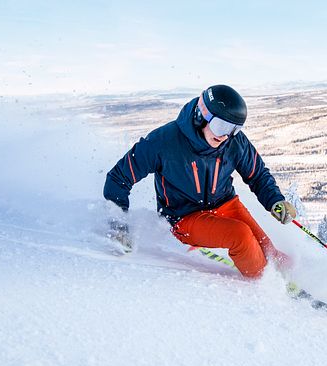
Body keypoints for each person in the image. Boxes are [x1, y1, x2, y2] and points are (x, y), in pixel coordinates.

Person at [103, 84, 296, 278]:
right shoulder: (163, 142)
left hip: (226, 203)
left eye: (233, 129)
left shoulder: (234, 142)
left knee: (267, 248)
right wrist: (118, 224)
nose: (225, 136)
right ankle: (266, 282)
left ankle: (291, 274)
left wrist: (275, 201)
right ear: (201, 116)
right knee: (241, 236)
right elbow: (118, 178)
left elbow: (257, 174)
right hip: (185, 217)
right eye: (221, 126)